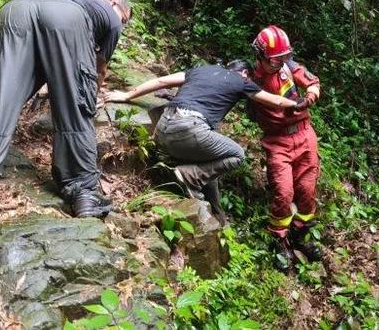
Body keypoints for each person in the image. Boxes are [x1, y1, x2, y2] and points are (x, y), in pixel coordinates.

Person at [0, 0, 131, 247]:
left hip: (14, 9)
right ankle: (84, 194)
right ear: (116, 3)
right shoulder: (111, 16)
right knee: (75, 113)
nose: (123, 25)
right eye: (126, 19)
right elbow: (98, 67)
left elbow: (44, 54)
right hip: (67, 19)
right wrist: (85, 97)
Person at [105, 60, 304, 224]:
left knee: (211, 162)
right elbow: (276, 101)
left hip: (163, 129)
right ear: (245, 73)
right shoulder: (241, 81)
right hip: (188, 130)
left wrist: (127, 95)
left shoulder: (201, 70)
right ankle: (188, 176)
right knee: (237, 155)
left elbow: (162, 81)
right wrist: (298, 103)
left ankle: (217, 215)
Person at [248, 25, 322, 270]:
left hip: (304, 135)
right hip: (277, 140)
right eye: (275, 59)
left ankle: (301, 234)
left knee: (307, 189)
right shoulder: (251, 77)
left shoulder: (289, 67)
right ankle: (279, 239)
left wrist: (309, 97)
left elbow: (312, 83)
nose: (280, 63)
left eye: (284, 58)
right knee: (283, 191)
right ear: (260, 55)